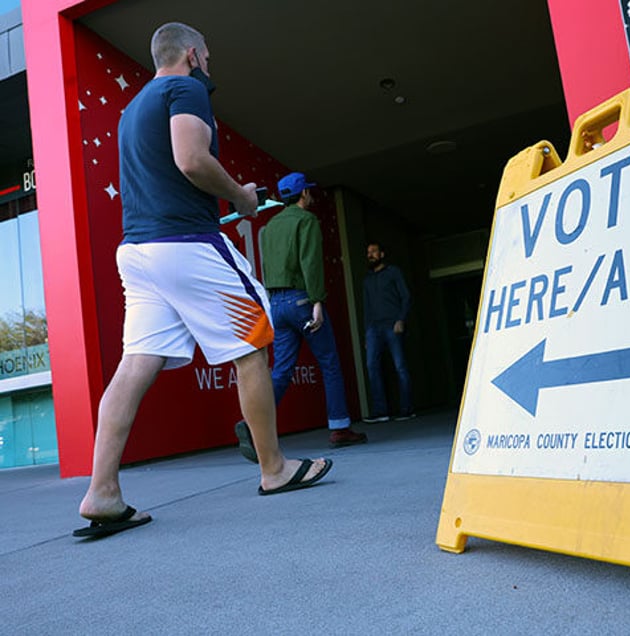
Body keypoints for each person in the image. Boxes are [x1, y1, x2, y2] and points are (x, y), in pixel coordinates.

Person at [74, 23, 332, 539]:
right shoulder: (184, 87)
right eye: (208, 57)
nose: (210, 66)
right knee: (255, 342)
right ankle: (274, 469)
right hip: (187, 247)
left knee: (133, 366)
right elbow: (190, 159)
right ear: (191, 54)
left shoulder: (133, 109)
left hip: (139, 253)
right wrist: (240, 195)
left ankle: (102, 492)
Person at [234, 172, 366, 459]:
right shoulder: (306, 221)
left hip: (276, 305)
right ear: (303, 194)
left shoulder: (269, 228)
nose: (311, 196)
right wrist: (317, 301)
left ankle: (252, 425)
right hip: (302, 300)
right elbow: (310, 263)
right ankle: (340, 428)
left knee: (281, 370)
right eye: (309, 192)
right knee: (329, 362)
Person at [361, 242, 415, 423]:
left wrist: (401, 319)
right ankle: (380, 411)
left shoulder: (394, 272)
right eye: (368, 252)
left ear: (382, 254)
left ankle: (407, 409)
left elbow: (406, 296)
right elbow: (366, 308)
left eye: (374, 251)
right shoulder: (367, 280)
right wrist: (366, 333)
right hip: (373, 329)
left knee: (400, 367)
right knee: (371, 367)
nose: (370, 255)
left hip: (393, 324)